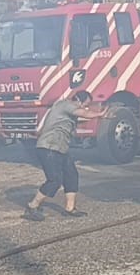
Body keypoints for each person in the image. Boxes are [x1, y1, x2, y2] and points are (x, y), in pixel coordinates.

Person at [24, 90, 104, 220]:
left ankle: (70, 208)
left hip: (61, 148)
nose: (85, 107)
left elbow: (81, 116)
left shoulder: (69, 112)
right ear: (78, 100)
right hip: (48, 147)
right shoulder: (65, 104)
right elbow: (83, 113)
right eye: (85, 104)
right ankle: (32, 206)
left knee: (71, 175)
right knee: (54, 180)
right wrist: (99, 114)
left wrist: (98, 116)